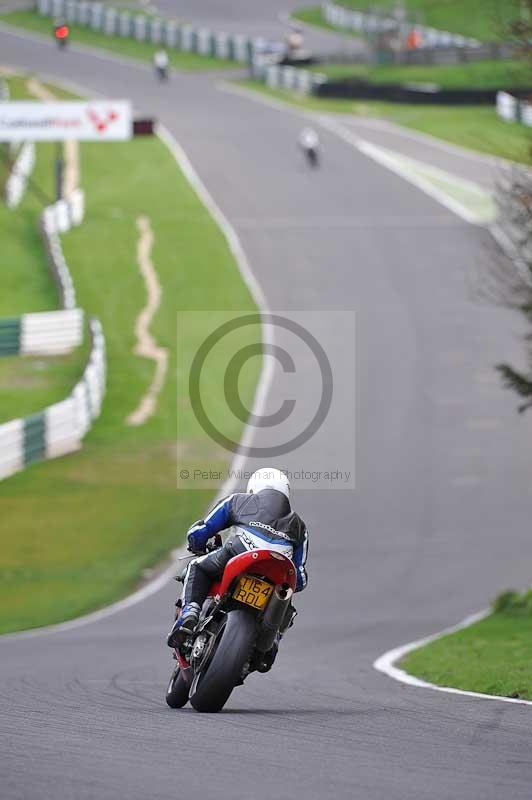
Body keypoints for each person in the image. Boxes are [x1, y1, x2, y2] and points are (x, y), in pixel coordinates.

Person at [167, 468, 309, 658]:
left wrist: (197, 544)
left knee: (197, 567)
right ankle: (272, 642)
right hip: (279, 569)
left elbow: (200, 531)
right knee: (287, 598)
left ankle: (190, 611)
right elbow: (300, 578)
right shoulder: (300, 526)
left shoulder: (237, 500)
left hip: (241, 550)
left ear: (254, 487)